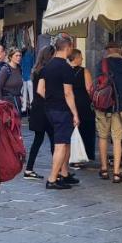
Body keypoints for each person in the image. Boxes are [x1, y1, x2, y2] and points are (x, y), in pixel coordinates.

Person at [38, 35, 80, 189]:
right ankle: (52, 179)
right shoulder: (66, 68)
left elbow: (40, 90)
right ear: (68, 48)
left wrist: (51, 98)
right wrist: (75, 113)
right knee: (61, 145)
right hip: (62, 110)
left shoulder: (47, 66)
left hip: (50, 109)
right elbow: (68, 93)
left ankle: (64, 174)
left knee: (65, 143)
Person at [95, 41, 122, 183]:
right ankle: (117, 173)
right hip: (119, 107)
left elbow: (96, 86)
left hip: (102, 107)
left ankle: (104, 169)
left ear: (108, 50)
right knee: (117, 139)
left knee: (102, 137)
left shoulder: (101, 64)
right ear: (119, 50)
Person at [22, 51, 50, 180]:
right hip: (45, 109)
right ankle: (60, 171)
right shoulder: (45, 71)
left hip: (37, 108)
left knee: (38, 140)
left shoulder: (36, 70)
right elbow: (41, 90)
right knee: (54, 139)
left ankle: (29, 169)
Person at [69, 48, 96, 168]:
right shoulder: (84, 71)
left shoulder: (65, 71)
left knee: (72, 130)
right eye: (80, 57)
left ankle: (72, 156)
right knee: (86, 129)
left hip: (70, 103)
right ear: (76, 58)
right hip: (83, 103)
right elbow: (89, 88)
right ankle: (83, 155)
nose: (82, 59)